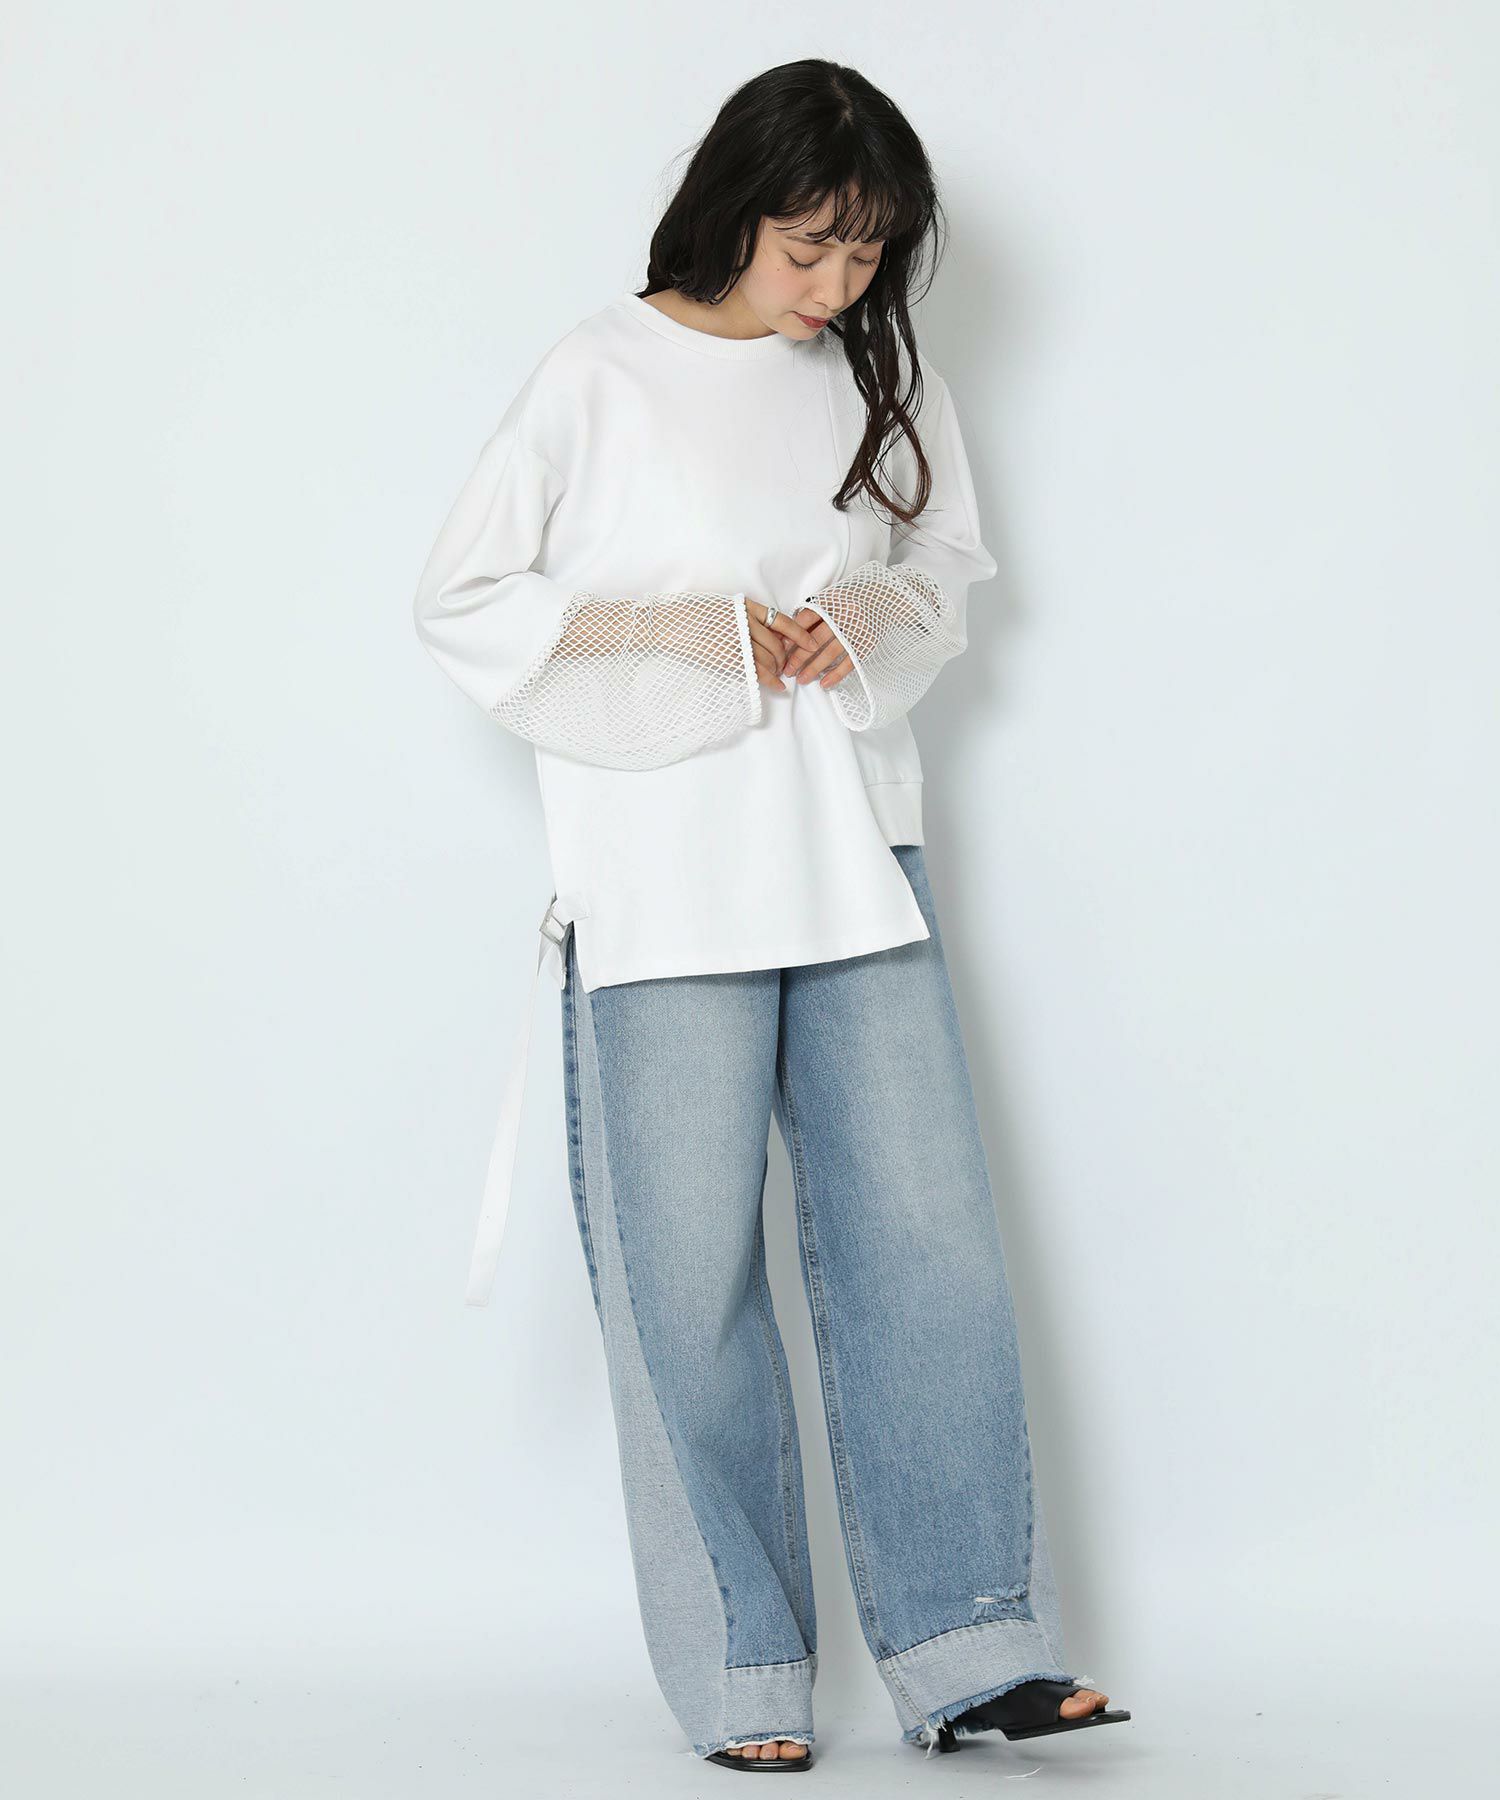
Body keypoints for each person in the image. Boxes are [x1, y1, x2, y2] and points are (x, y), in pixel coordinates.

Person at [412, 56, 1131, 1773]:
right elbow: (463, 599)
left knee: (927, 1249)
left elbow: (940, 571)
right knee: (686, 1285)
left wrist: (852, 625)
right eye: (812, 246)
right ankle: (746, 1674)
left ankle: (971, 1652)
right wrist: (687, 634)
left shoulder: (880, 379)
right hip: (662, 882)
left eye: (869, 254)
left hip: (856, 856)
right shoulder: (595, 374)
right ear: (736, 206)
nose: (838, 285)